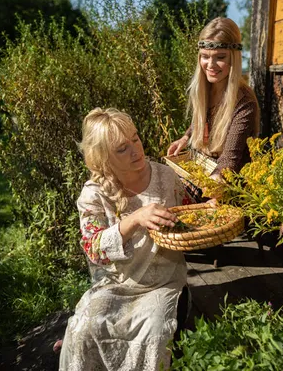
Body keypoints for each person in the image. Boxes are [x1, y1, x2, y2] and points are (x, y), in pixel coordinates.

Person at [58, 107, 191, 371]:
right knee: (84, 329)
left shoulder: (166, 176)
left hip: (163, 282)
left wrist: (209, 207)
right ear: (102, 157)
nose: (136, 150)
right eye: (122, 149)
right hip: (115, 283)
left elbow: (189, 214)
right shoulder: (93, 194)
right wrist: (134, 219)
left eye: (136, 139)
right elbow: (94, 249)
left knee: (153, 332)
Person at [167, 17, 260, 181]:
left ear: (234, 57)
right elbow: (203, 120)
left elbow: (229, 160)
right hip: (203, 169)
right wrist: (186, 137)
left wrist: (213, 182)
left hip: (231, 184)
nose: (211, 64)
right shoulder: (205, 88)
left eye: (220, 57)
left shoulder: (244, 103)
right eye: (205, 56)